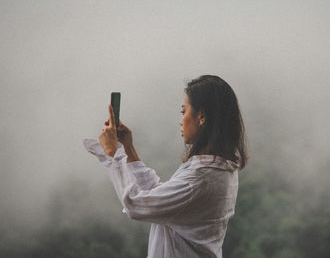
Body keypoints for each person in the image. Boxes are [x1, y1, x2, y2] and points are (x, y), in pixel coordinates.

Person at [83, 75, 248, 258]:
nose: (181, 120)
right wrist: (128, 149)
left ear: (201, 116)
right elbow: (158, 196)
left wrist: (115, 154)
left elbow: (136, 204)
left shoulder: (200, 176)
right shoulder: (218, 169)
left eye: (183, 111)